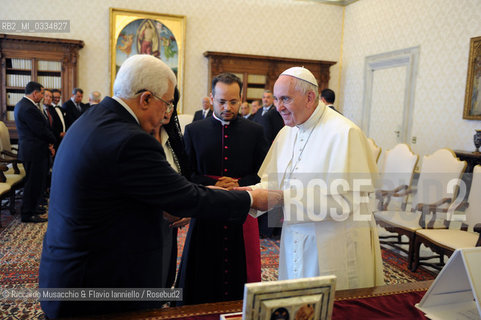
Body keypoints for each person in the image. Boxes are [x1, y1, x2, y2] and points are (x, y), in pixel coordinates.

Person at [39, 54, 275, 318]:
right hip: (97, 284)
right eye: (167, 103)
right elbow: (186, 198)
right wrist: (251, 200)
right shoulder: (129, 139)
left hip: (72, 272)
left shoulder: (93, 119)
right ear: (146, 98)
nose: (167, 112)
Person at [248, 67, 384, 290]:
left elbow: (347, 202)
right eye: (276, 99)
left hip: (333, 244)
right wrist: (247, 195)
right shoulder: (287, 131)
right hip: (294, 235)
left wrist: (283, 198)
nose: (278, 107)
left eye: (285, 99)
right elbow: (273, 183)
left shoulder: (344, 133)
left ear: (310, 97)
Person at [178, 73, 268, 305]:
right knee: (204, 263)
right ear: (212, 98)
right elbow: (186, 173)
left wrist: (239, 183)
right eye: (221, 102)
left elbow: (262, 171)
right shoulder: (194, 131)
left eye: (234, 102)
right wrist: (213, 182)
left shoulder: (255, 131)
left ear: (241, 99)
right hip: (207, 207)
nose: (227, 107)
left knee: (240, 263)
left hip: (242, 208)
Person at [152, 86, 191, 290]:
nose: (169, 109)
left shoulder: (173, 140)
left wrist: (186, 208)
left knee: (164, 277)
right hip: (141, 227)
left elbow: (184, 179)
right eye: (166, 102)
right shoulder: (136, 139)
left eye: (173, 103)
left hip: (169, 227)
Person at [14, 81, 56, 223]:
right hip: (34, 152)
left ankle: (33, 207)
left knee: (37, 182)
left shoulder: (24, 105)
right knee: (33, 183)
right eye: (42, 93)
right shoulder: (28, 108)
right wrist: (53, 140)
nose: (43, 96)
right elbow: (40, 130)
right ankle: (27, 214)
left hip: (34, 150)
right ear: (35, 93)